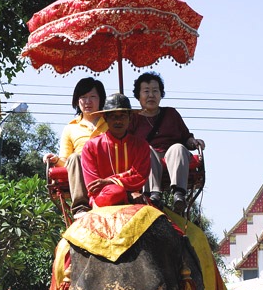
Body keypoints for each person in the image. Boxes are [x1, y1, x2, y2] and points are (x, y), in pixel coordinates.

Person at [130, 71, 205, 214]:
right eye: (146, 91)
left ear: (161, 94)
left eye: (155, 91)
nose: (151, 95)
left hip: (172, 155)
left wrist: (194, 142)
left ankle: (179, 194)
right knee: (146, 149)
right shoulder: (133, 119)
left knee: (178, 148)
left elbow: (186, 137)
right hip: (147, 157)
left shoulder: (171, 114)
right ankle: (154, 194)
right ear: (138, 95)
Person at [44, 77, 107, 217]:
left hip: (107, 168)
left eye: (93, 97)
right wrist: (55, 160)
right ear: (77, 101)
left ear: (101, 99)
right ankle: (80, 207)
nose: (88, 101)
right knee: (75, 157)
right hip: (82, 169)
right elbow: (67, 162)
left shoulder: (112, 123)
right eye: (83, 97)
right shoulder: (70, 128)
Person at [81, 93, 150, 207]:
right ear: (105, 118)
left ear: (130, 118)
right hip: (103, 199)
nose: (118, 121)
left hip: (135, 197)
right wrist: (126, 192)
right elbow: (94, 186)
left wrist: (109, 181)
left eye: (122, 116)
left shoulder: (141, 146)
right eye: (113, 116)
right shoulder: (91, 146)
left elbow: (140, 177)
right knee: (117, 192)